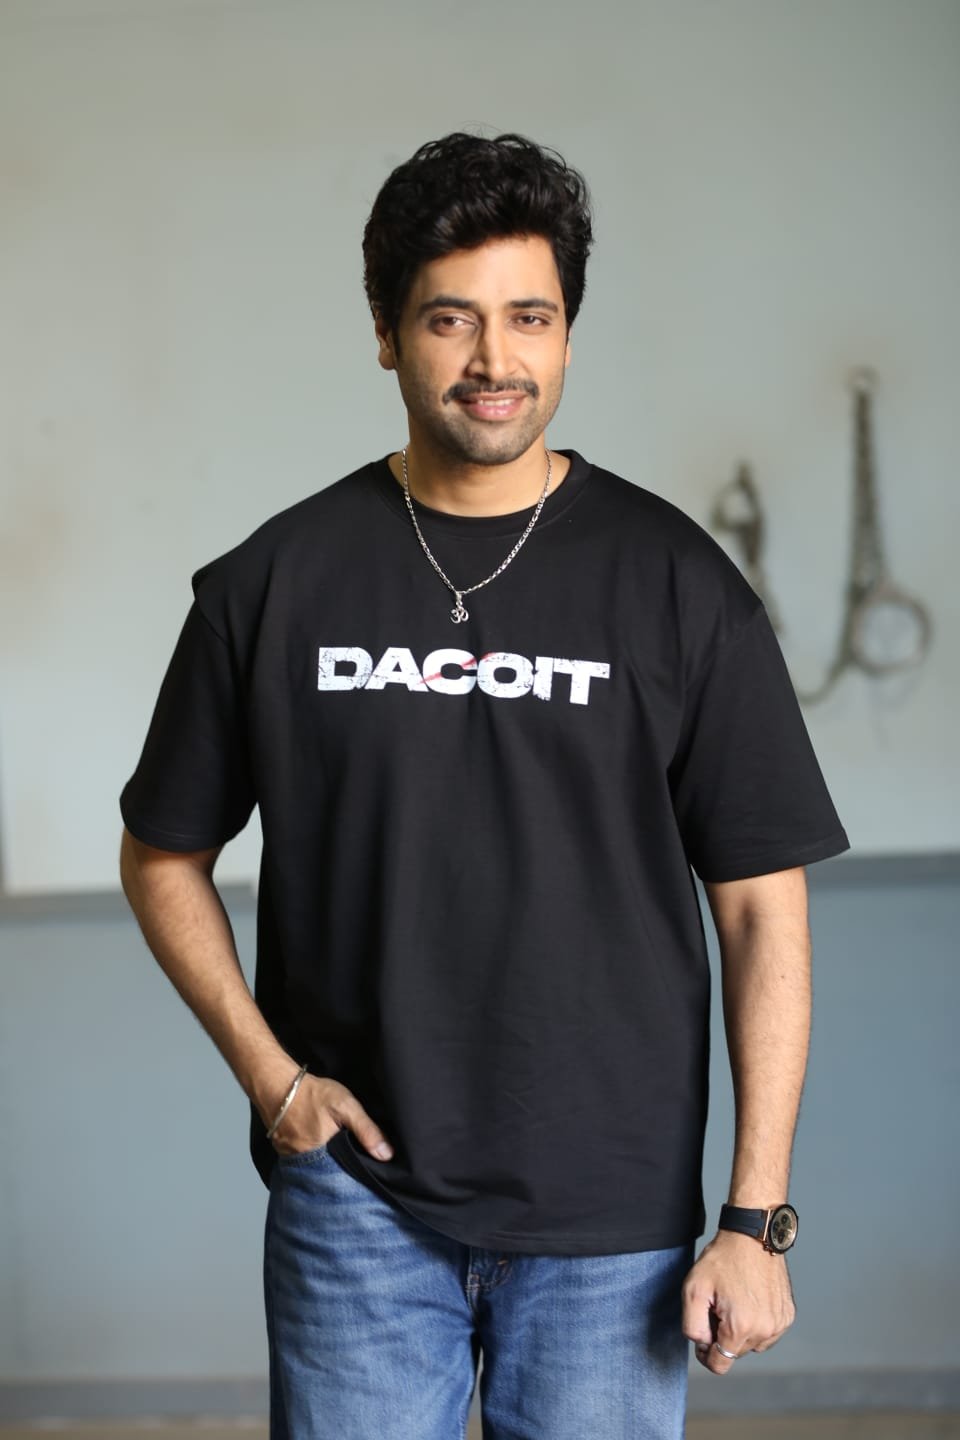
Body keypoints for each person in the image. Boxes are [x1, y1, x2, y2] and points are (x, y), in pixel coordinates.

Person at [120, 132, 849, 1440]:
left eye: (531, 318)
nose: (494, 359)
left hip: (612, 1222)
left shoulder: (680, 588)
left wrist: (755, 1216)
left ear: (567, 334)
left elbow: (760, 908)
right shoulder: (276, 584)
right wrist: (274, 1082)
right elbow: (160, 852)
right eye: (451, 318)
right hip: (358, 1205)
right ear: (387, 334)